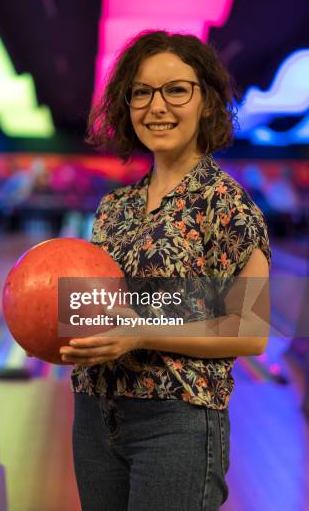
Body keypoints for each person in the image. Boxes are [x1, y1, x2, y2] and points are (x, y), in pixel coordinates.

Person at [59, 31, 271, 511]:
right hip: (94, 415)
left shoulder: (228, 205)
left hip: (177, 421)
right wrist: (57, 329)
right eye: (141, 92)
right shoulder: (114, 207)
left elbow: (251, 330)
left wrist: (141, 333)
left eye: (176, 89)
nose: (157, 106)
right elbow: (102, 309)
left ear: (208, 103)